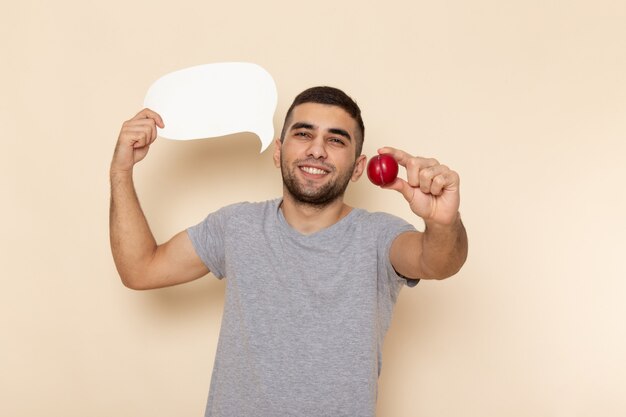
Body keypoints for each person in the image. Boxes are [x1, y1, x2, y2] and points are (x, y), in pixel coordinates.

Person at [110, 86, 468, 417]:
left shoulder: (378, 237)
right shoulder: (236, 226)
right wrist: (121, 171)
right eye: (303, 134)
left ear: (359, 168)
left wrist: (442, 222)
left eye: (336, 140)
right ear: (279, 152)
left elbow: (437, 261)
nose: (317, 149)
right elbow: (140, 269)